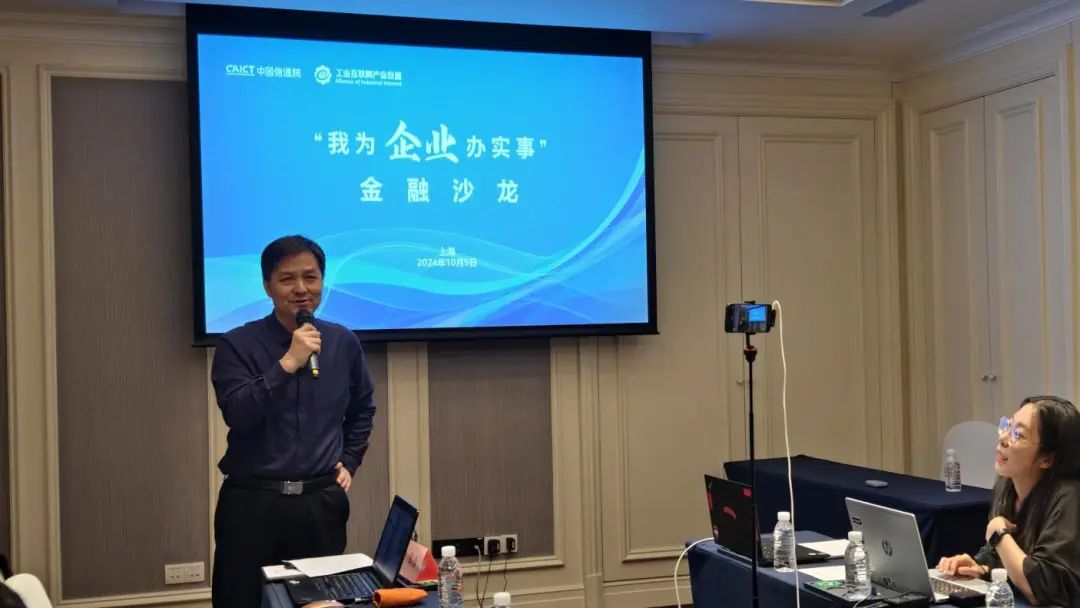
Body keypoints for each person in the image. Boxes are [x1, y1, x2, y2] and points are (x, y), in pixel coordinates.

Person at [210, 235, 377, 608]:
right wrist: (288, 362)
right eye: (287, 279)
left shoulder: (343, 342)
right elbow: (238, 413)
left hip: (320, 504)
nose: (301, 289)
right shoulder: (236, 345)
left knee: (321, 603)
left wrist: (350, 460)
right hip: (252, 504)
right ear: (267, 286)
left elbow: (362, 409)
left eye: (310, 277)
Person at [937, 395, 1080, 606]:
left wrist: (999, 533)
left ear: (1047, 458)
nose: (1003, 438)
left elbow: (1044, 591)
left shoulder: (1069, 497)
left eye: (1017, 434)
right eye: (1007, 426)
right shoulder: (1007, 485)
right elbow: (1000, 554)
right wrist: (981, 567)